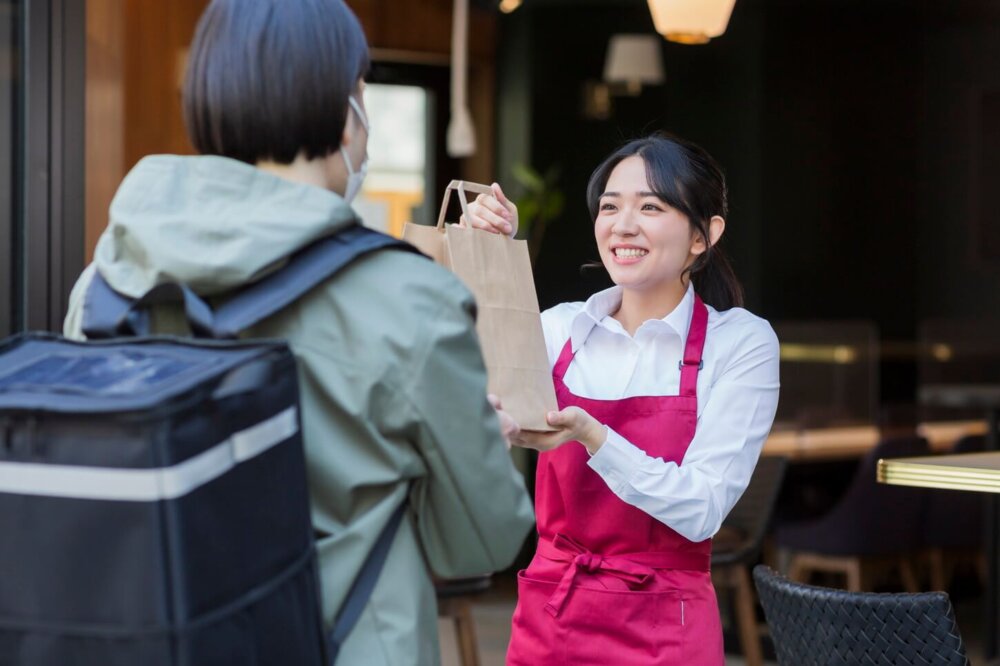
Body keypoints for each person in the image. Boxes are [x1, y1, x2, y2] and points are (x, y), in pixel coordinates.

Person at [62, 1, 534, 663]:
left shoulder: (108, 285)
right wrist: (474, 442)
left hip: (156, 639)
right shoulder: (407, 298)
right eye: (365, 97)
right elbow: (483, 540)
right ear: (346, 113)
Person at [463, 133, 780, 664]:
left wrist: (594, 436)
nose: (623, 225)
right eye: (610, 206)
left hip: (666, 629)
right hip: (551, 617)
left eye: (650, 207)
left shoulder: (740, 342)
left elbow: (701, 509)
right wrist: (489, 257)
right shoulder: (557, 330)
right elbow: (465, 388)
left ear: (705, 235)